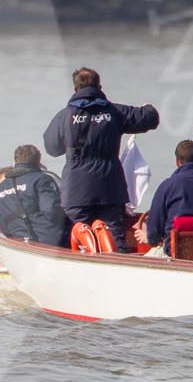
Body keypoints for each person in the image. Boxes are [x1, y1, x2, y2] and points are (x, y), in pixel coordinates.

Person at [43, 67, 160, 253]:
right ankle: (118, 271)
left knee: (78, 235)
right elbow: (150, 119)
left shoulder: (65, 116)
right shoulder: (113, 112)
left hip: (76, 190)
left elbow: (51, 148)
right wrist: (148, 107)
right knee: (113, 236)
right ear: (100, 86)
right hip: (109, 187)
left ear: (75, 89)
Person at [142, 140, 193, 256]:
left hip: (176, 253)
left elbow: (153, 233)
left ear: (177, 162)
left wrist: (150, 238)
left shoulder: (168, 185)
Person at [0, 145, 64, 244]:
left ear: (16, 162)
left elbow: (3, 225)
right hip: (46, 243)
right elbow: (53, 211)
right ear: (38, 161)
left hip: (16, 243)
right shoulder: (42, 179)